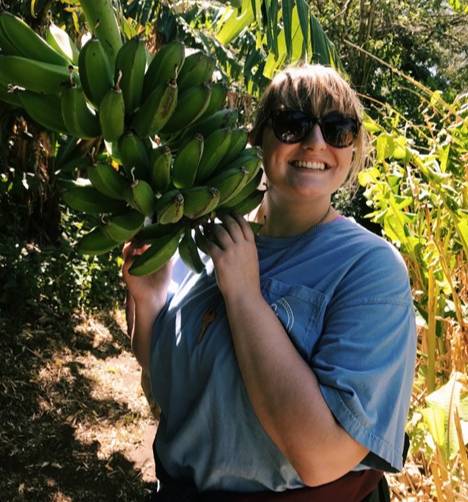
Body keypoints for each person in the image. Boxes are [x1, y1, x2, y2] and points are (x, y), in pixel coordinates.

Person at [122, 64, 417, 502]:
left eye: (337, 128)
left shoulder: (370, 268)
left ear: (352, 150)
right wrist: (146, 300)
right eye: (293, 123)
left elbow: (321, 457)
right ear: (258, 137)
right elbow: (169, 386)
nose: (316, 142)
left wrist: (244, 295)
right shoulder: (213, 241)